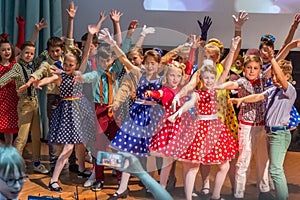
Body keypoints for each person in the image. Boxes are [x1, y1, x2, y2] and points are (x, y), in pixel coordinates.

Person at [98, 28, 164, 199]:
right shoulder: (138, 73)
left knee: (150, 154)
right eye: (147, 62)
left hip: (153, 117)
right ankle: (122, 188)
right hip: (137, 115)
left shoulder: (162, 79)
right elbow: (124, 59)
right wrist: (112, 43)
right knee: (128, 151)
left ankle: (151, 185)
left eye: (153, 63)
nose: (149, 66)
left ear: (158, 64)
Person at [18, 2, 80, 176]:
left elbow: (69, 39)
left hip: (70, 100)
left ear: (62, 50)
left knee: (72, 133)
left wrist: (71, 19)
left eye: (58, 51)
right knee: (54, 133)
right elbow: (38, 72)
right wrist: (32, 81)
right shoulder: (46, 63)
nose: (56, 54)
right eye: (52, 51)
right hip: (54, 100)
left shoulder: (67, 59)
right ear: (48, 51)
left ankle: (72, 162)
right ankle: (54, 165)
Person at [229, 47, 296, 200]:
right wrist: (241, 99)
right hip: (267, 130)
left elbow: (279, 74)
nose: (273, 79)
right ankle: (240, 194)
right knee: (255, 163)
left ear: (285, 77)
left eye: (277, 77)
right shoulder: (273, 91)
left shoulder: (288, 90)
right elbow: (258, 96)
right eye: (272, 77)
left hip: (278, 132)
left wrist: (273, 57)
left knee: (274, 169)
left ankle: (277, 196)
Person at [169, 63, 238, 200]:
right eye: (206, 78)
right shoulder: (197, 93)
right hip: (201, 129)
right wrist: (179, 112)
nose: (209, 81)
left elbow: (227, 74)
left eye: (212, 78)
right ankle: (188, 197)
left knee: (224, 165)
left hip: (215, 128)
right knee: (194, 166)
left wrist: (233, 48)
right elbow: (189, 103)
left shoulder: (215, 89)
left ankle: (216, 195)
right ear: (200, 79)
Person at [35, 49, 96, 192]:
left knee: (82, 142)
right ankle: (53, 180)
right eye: (66, 64)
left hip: (81, 108)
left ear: (76, 65)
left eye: (71, 65)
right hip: (68, 111)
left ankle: (81, 169)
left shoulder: (78, 74)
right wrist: (40, 82)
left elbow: (86, 54)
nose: (68, 67)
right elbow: (48, 79)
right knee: (69, 148)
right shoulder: (60, 76)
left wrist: (91, 35)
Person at [215, 55, 272, 199]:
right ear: (244, 69)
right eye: (249, 68)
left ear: (259, 70)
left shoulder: (262, 80)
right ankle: (238, 193)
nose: (252, 71)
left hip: (261, 126)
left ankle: (264, 190)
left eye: (255, 68)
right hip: (246, 126)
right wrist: (218, 86)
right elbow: (231, 85)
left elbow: (274, 65)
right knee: (243, 160)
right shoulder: (242, 81)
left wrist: (288, 47)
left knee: (263, 159)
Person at [0, 41, 48, 174]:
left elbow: (45, 55)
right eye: (26, 53)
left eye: (31, 53)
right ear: (20, 53)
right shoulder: (16, 68)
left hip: (35, 103)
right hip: (24, 104)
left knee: (36, 135)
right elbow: (3, 79)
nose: (29, 56)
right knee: (22, 137)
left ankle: (37, 163)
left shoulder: (34, 65)